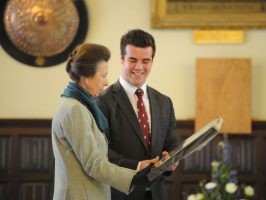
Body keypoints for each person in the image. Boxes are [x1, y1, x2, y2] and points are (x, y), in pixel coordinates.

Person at [51, 43, 160, 200]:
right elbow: (94, 164)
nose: (107, 82)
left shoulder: (79, 105)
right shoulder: (75, 109)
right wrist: (134, 177)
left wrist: (137, 169)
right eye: (103, 76)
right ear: (86, 77)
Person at [96, 29, 179, 200]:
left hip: (157, 194)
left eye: (145, 61)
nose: (139, 67)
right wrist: (137, 166)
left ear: (152, 62)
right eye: (132, 60)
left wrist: (171, 158)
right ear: (122, 59)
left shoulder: (165, 102)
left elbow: (171, 145)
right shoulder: (101, 102)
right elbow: (100, 152)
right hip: (120, 194)